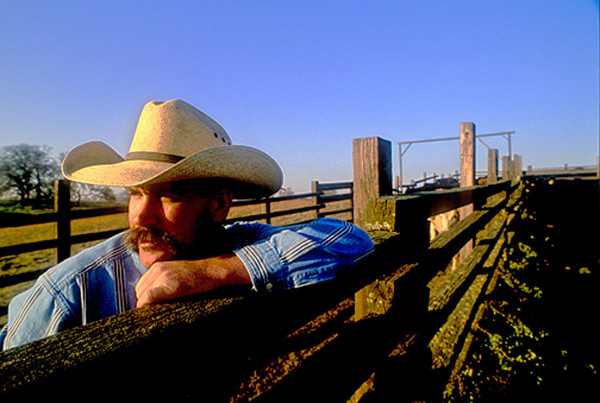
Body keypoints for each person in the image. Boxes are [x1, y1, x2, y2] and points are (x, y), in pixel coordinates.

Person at [0, 99, 373, 350]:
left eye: (168, 197)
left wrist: (215, 272)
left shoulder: (236, 244)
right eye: (135, 193)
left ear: (219, 205)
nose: (141, 217)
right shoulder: (68, 294)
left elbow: (351, 239)